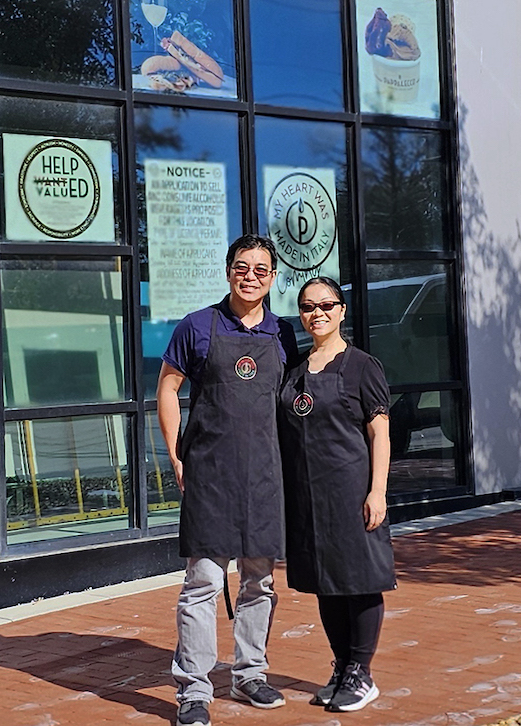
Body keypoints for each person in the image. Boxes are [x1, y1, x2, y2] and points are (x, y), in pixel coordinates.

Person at [156, 234, 300, 726]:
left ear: (273, 278)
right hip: (211, 473)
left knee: (259, 581)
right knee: (203, 582)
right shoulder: (196, 327)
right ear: (228, 271)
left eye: (262, 270)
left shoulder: (283, 334)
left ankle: (249, 673)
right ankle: (194, 692)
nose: (251, 276)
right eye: (243, 267)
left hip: (264, 474)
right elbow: (169, 388)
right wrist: (177, 454)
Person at [277, 276, 396, 713]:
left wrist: (377, 491)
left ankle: (362, 673)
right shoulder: (293, 371)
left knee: (359, 581)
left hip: (352, 491)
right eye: (308, 307)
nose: (317, 313)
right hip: (308, 498)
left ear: (342, 310)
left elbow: (380, 432)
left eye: (327, 305)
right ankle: (342, 665)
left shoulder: (363, 366)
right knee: (326, 584)